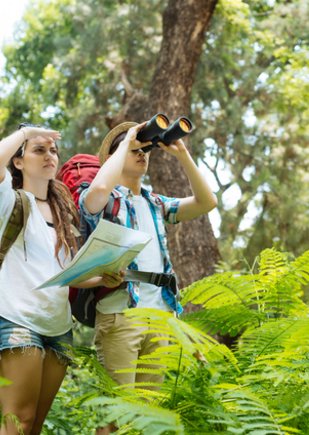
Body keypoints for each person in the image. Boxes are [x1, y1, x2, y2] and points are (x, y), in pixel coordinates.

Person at [0, 124, 126, 435]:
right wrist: (27, 133)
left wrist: (103, 278)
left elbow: (67, 276)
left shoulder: (64, 211)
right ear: (19, 162)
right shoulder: (8, 202)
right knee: (17, 422)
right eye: (39, 150)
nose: (50, 155)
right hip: (17, 319)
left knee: (34, 425)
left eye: (53, 150)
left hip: (59, 327)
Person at [80, 120, 217, 434]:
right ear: (115, 157)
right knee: (114, 418)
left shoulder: (156, 204)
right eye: (134, 150)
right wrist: (127, 138)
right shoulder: (102, 199)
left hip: (160, 318)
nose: (142, 154)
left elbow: (207, 202)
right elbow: (100, 189)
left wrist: (182, 154)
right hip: (121, 316)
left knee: (146, 419)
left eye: (145, 150)